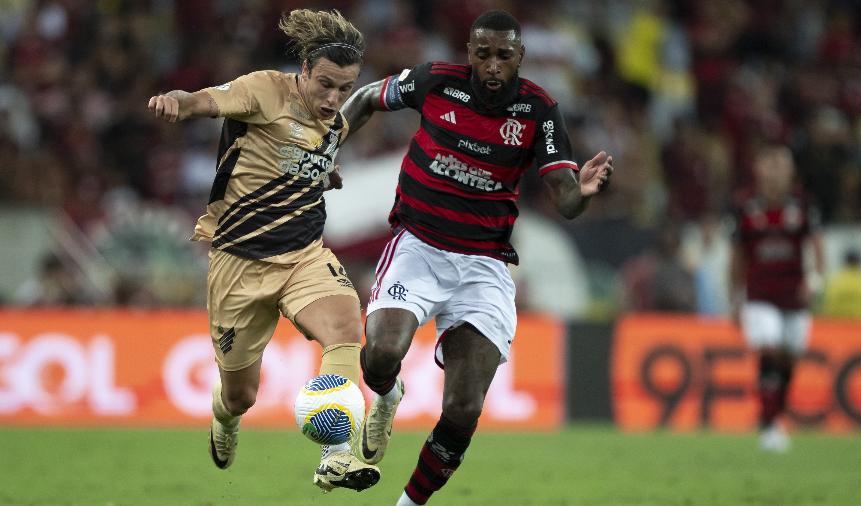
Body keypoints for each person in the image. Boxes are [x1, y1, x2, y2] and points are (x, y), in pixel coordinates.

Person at [340, 10, 613, 505]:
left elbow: (567, 200)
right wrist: (325, 152)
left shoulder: (538, 111)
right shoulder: (434, 82)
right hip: (419, 247)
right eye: (482, 54)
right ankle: (386, 395)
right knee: (380, 356)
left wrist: (586, 191)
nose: (492, 66)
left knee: (464, 406)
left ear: (519, 58)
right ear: (469, 53)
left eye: (503, 56)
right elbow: (363, 99)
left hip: (483, 266)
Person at [146, 9, 379, 492]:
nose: (334, 99)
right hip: (239, 264)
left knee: (345, 328)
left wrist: (320, 173)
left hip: (304, 257)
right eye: (326, 85)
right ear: (305, 73)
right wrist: (175, 102)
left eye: (346, 87)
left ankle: (336, 457)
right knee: (241, 395)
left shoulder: (333, 123)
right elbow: (206, 101)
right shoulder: (264, 89)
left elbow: (309, 157)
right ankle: (224, 417)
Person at [728, 144, 825, 453]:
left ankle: (770, 415)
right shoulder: (746, 207)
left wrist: (815, 281)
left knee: (789, 359)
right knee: (769, 348)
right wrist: (734, 298)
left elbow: (818, 247)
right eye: (769, 165)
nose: (775, 172)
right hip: (759, 295)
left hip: (794, 296)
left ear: (791, 171)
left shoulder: (804, 205)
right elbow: (736, 258)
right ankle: (770, 427)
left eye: (781, 166)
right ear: (758, 170)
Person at [822, 249, 861, 320]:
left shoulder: (835, 282)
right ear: (860, 263)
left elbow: (828, 308)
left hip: (838, 327)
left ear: (845, 263)